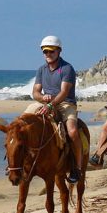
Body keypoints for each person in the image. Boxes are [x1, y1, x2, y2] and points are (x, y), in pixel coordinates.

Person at [24, 35, 83, 183]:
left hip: (65, 104)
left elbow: (64, 92)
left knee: (73, 131)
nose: (48, 54)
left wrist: (51, 104)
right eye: (45, 52)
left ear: (59, 51)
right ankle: (20, 162)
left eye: (51, 51)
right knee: (21, 123)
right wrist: (42, 98)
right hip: (45, 103)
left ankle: (78, 167)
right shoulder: (41, 70)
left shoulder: (67, 68)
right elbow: (35, 92)